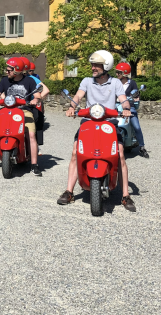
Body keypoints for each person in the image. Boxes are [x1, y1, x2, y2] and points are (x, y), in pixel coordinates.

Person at [57, 50, 136, 211]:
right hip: (88, 122)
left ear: (106, 66)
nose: (93, 67)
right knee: (75, 152)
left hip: (109, 123)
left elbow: (123, 100)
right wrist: (72, 107)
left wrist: (126, 109)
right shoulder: (87, 81)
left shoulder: (115, 83)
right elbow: (78, 96)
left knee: (119, 153)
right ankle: (69, 191)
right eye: (92, 64)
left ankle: (126, 195)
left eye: (97, 65)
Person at [0, 57, 42, 176]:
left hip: (24, 110)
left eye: (9, 70)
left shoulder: (29, 81)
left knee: (31, 134)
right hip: (7, 110)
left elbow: (37, 95)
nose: (7, 72)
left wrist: (35, 100)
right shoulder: (5, 81)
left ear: (17, 70)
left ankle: (34, 165)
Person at [115, 62, 149, 158]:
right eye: (116, 72)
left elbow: (136, 94)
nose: (117, 74)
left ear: (125, 73)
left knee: (136, 126)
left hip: (130, 106)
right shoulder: (114, 82)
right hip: (116, 106)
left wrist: (135, 97)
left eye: (119, 72)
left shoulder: (132, 83)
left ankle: (142, 147)